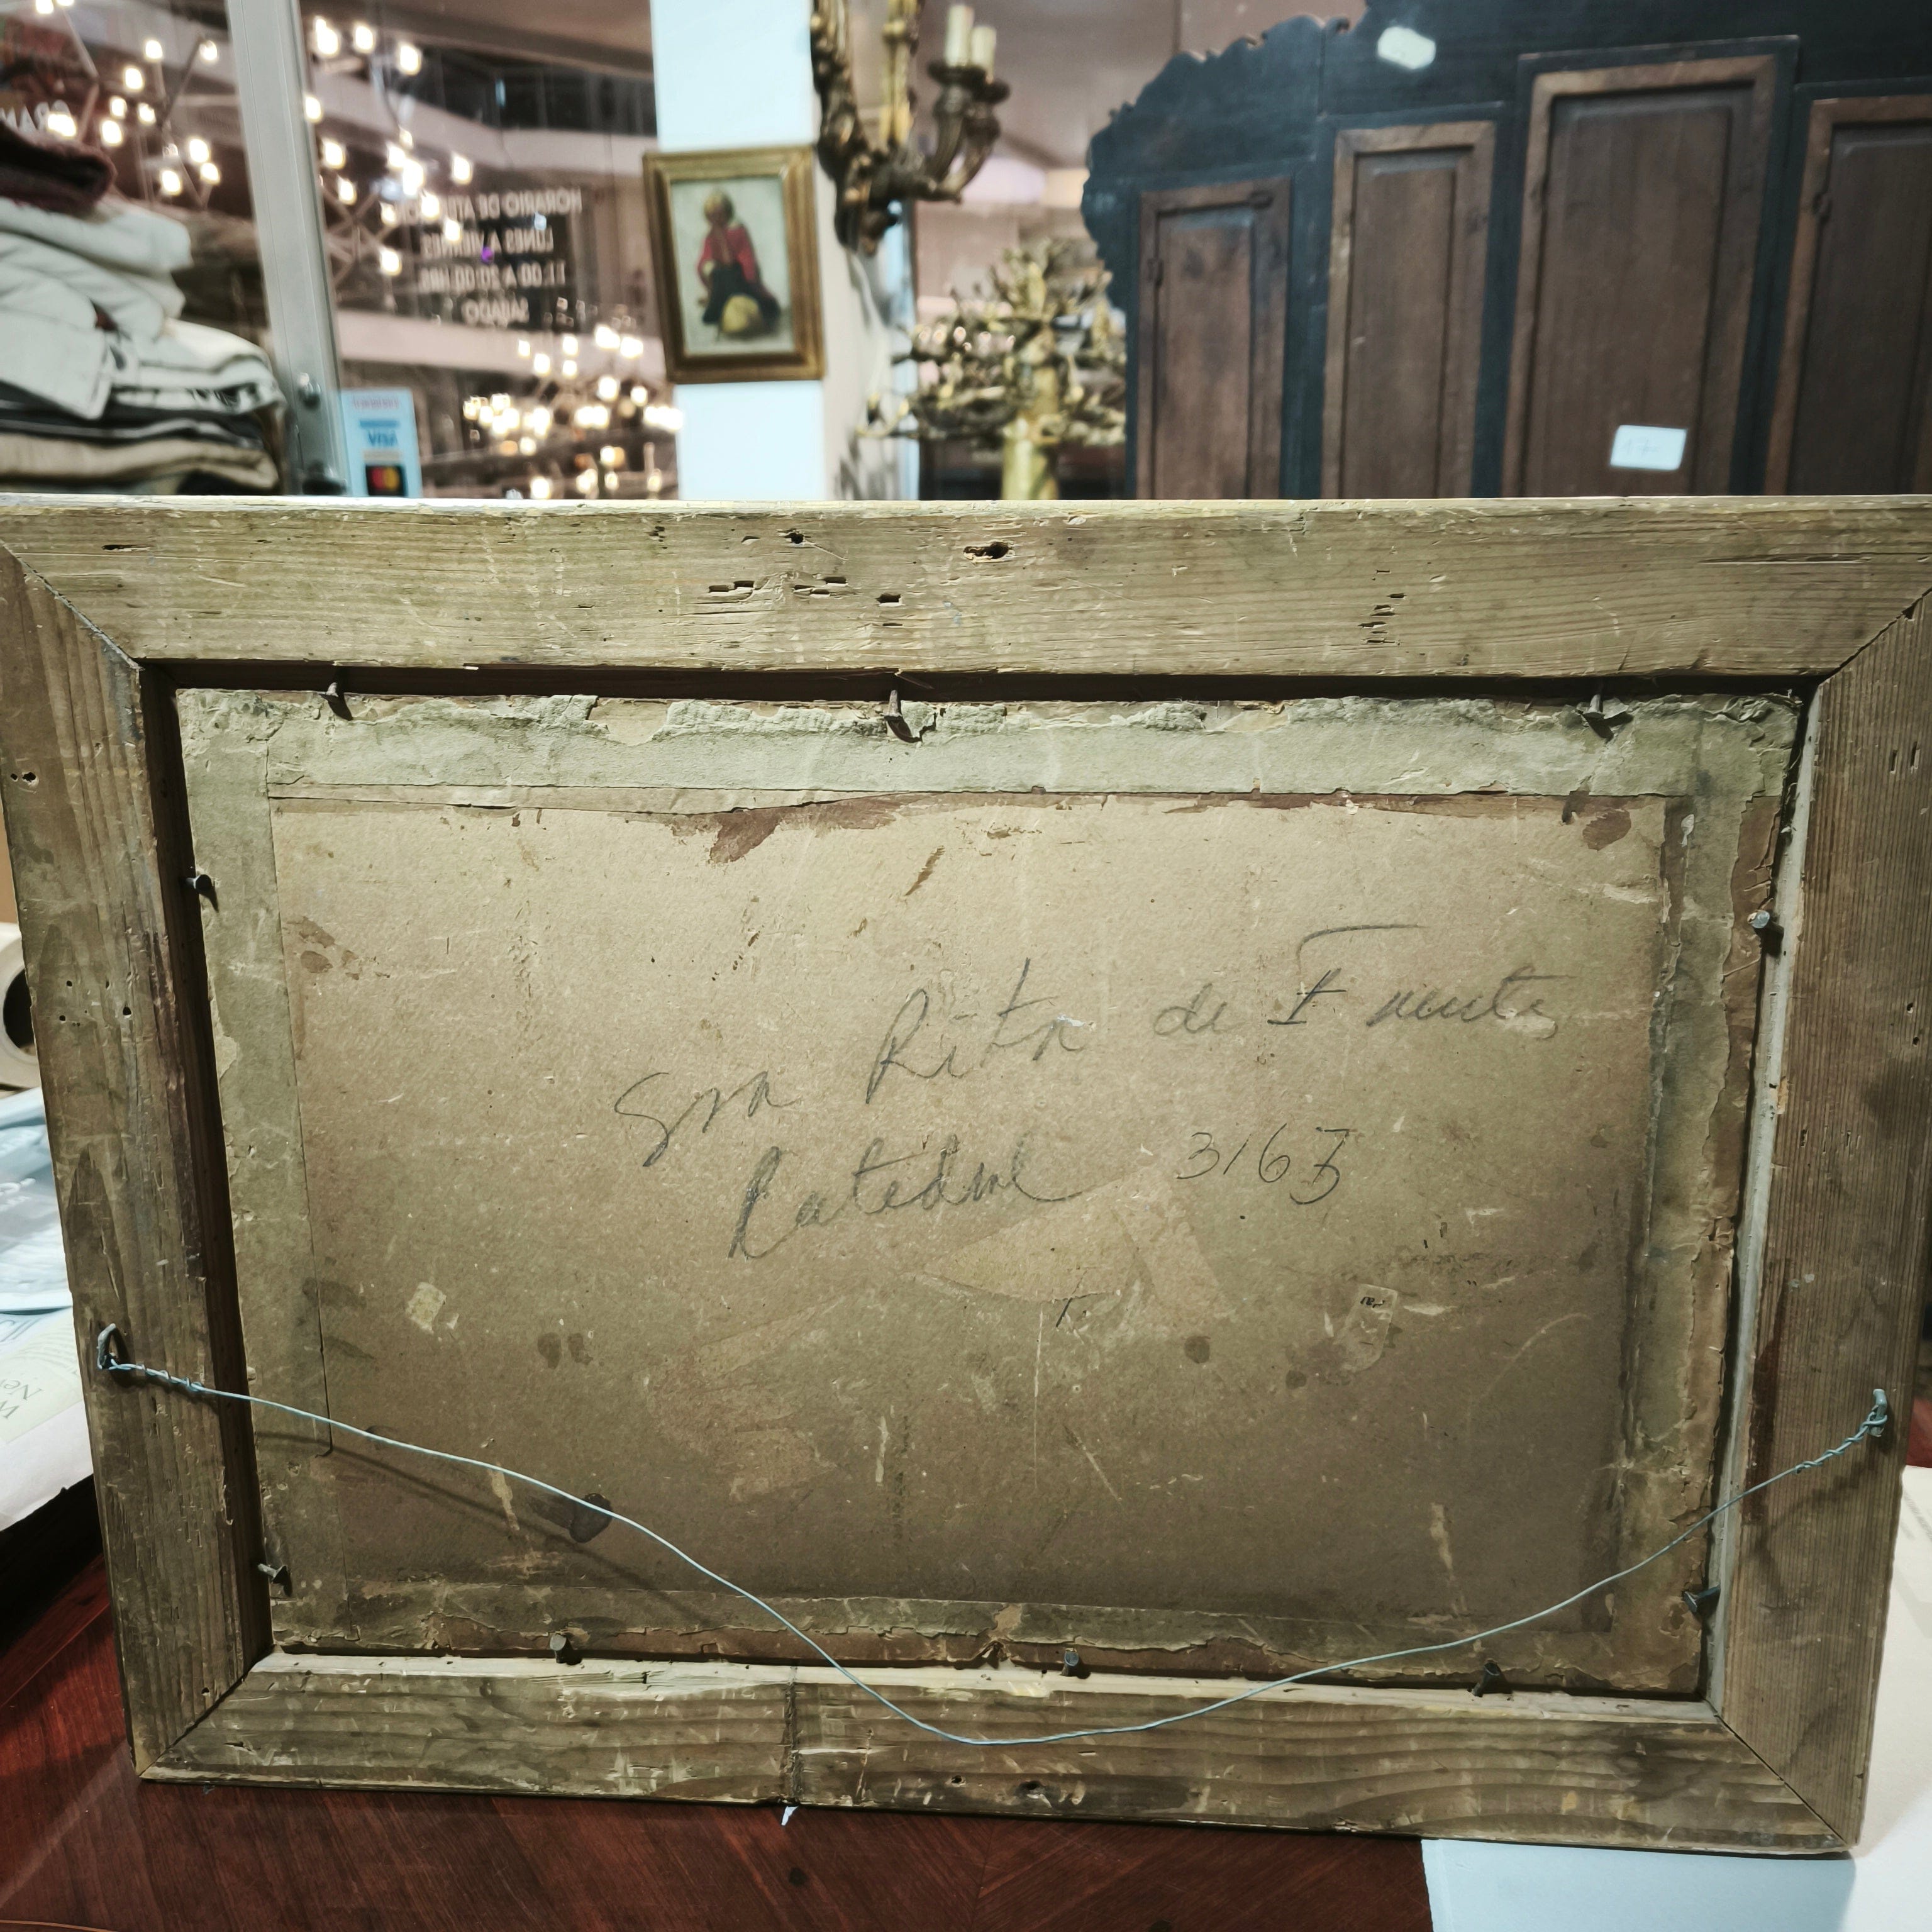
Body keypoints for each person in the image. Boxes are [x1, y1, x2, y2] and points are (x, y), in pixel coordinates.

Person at [696, 191, 780, 337]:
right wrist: (707, 267)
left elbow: (747, 257)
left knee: (729, 276)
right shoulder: (710, 237)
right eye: (712, 216)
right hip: (722, 280)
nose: (717, 219)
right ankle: (716, 309)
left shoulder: (737, 231)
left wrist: (750, 278)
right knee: (719, 275)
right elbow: (704, 260)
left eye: (720, 214)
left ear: (727, 213)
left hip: (741, 276)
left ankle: (763, 311)